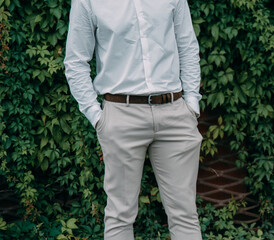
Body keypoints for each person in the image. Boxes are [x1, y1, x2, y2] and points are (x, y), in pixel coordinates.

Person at [64, 0, 202, 239]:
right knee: (120, 216)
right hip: (120, 114)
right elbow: (75, 62)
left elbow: (188, 47)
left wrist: (191, 104)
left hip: (175, 114)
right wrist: (98, 117)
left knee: (185, 215)